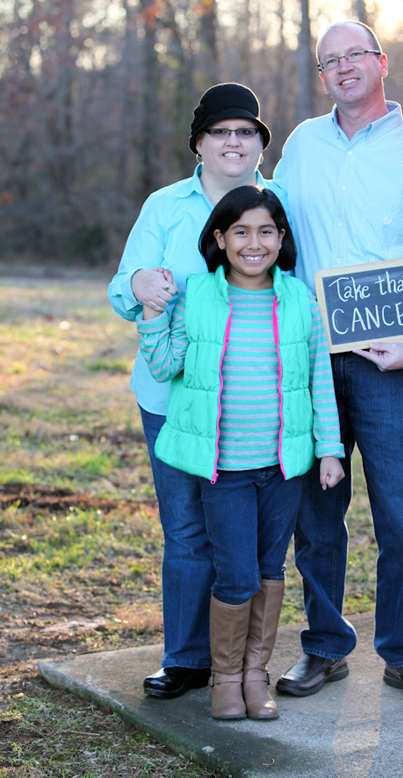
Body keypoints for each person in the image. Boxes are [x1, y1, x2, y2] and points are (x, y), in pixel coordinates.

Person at [269, 20, 403, 706]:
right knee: (316, 517)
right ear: (322, 78)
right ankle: (324, 648)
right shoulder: (302, 145)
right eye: (330, 61)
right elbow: (270, 228)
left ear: (381, 63)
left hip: (392, 363)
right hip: (312, 361)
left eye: (355, 55)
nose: (343, 67)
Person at [137, 185, 345, 721]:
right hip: (224, 470)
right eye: (242, 232)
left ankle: (256, 676)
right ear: (221, 239)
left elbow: (319, 379)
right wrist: (152, 312)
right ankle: (225, 680)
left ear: (282, 238)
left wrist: (329, 449)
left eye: (266, 232)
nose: (255, 243)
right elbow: (164, 367)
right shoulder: (198, 296)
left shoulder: (298, 299)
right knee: (236, 574)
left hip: (283, 468)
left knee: (270, 567)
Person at [108, 83, 272, 699]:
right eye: (220, 132)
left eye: (246, 132)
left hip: (252, 398)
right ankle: (186, 658)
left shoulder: (277, 202)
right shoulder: (165, 206)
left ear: (259, 143)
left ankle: (244, 663)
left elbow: (299, 294)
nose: (234, 142)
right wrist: (142, 282)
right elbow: (123, 288)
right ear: (199, 144)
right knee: (185, 529)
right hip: (171, 396)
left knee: (250, 537)